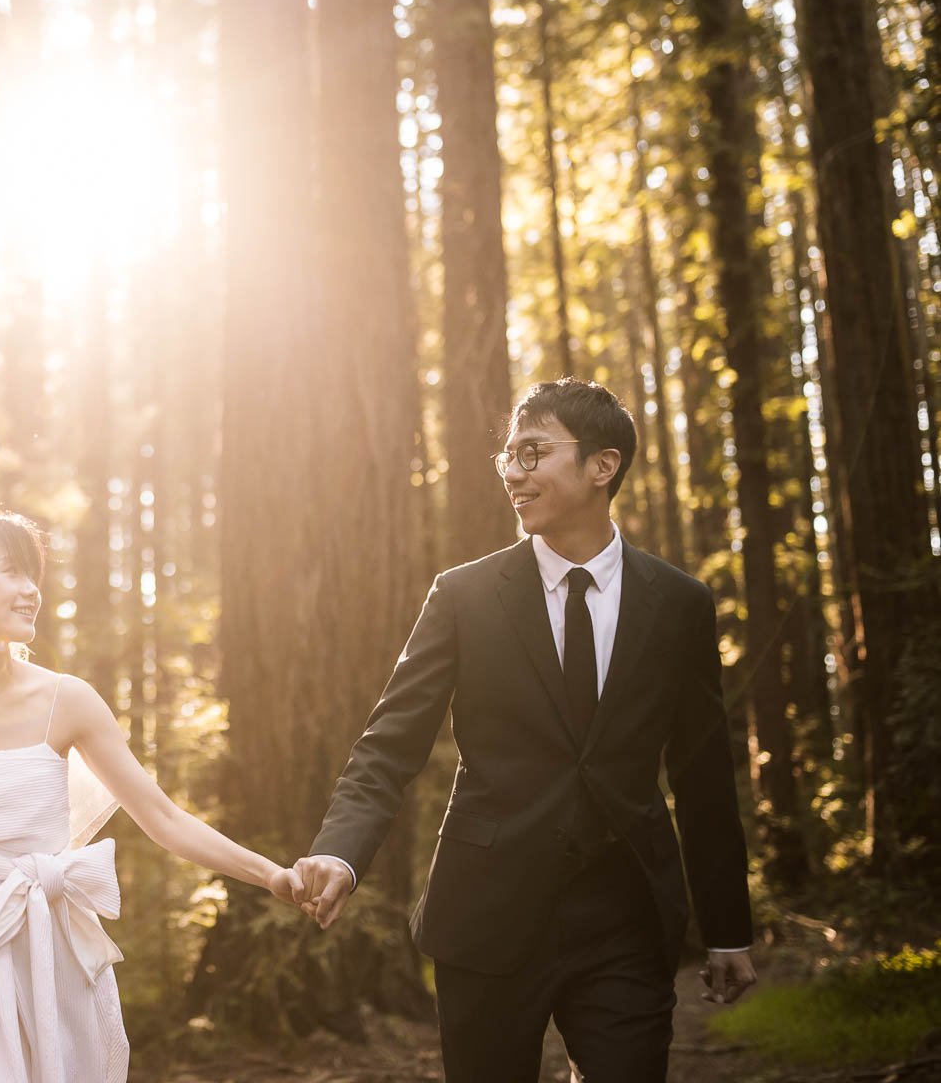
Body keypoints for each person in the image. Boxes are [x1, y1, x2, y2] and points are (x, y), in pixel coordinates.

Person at [292, 379, 757, 1083]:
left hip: (626, 921)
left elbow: (703, 778)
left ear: (602, 466)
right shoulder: (463, 596)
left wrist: (726, 930)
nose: (513, 471)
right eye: (507, 456)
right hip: (486, 917)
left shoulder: (679, 604)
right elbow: (388, 746)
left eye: (533, 453)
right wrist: (340, 853)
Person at [0, 511, 303, 1083]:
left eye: (34, 576)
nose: (32, 591)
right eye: (13, 574)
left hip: (41, 953)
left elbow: (163, 818)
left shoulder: (68, 702)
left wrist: (270, 876)